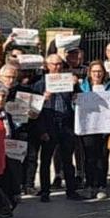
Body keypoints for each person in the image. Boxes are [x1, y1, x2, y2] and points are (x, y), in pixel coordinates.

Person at [32, 55, 78, 202]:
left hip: (66, 124)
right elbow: (33, 109)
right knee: (46, 160)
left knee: (67, 159)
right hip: (49, 124)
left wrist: (76, 88)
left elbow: (79, 98)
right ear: (47, 65)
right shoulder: (39, 85)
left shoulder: (68, 81)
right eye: (54, 64)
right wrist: (43, 99)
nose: (57, 67)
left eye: (60, 64)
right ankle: (45, 191)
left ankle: (71, 190)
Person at [79, 62, 110, 198]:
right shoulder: (81, 86)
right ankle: (89, 185)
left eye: (100, 71)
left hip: (104, 128)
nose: (97, 74)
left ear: (104, 73)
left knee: (102, 157)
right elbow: (76, 106)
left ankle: (102, 186)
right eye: (94, 71)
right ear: (90, 72)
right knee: (89, 157)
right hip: (88, 127)